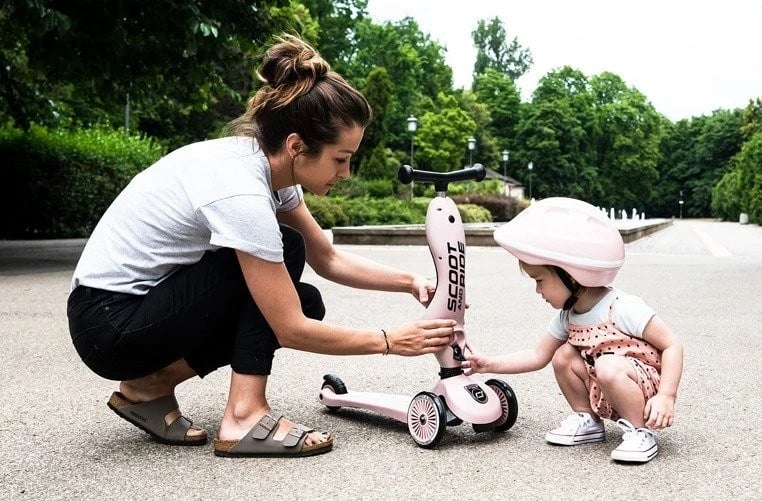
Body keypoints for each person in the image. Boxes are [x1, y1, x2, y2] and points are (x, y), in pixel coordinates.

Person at [66, 34, 455, 458]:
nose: (345, 172)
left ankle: (149, 387)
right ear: (297, 146)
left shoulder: (268, 169)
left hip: (131, 313)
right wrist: (389, 341)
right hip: (109, 325)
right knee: (285, 254)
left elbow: (326, 257)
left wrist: (411, 282)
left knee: (303, 297)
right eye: (340, 158)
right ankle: (244, 415)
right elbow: (288, 328)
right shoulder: (241, 192)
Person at [462, 197, 683, 463]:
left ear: (571, 274)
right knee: (563, 355)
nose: (537, 290)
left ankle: (640, 432)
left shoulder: (622, 307)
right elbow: (537, 356)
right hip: (604, 381)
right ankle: (588, 420)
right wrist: (488, 364)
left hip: (642, 386)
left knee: (608, 366)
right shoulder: (568, 316)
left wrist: (666, 397)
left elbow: (672, 345)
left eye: (540, 280)